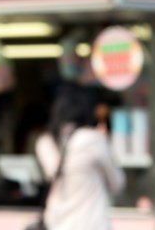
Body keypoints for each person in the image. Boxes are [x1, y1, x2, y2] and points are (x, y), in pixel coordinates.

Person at [34, 85, 124, 230]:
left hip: (57, 223)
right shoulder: (93, 140)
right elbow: (117, 183)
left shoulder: (46, 142)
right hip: (90, 223)